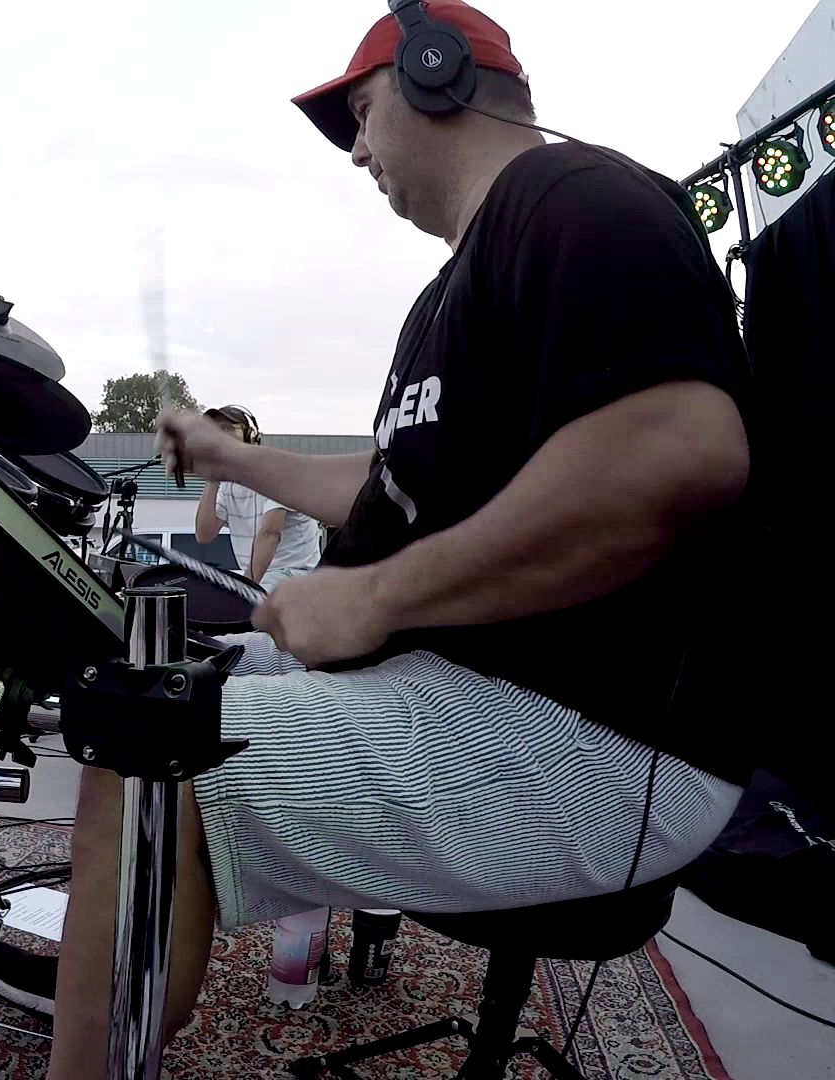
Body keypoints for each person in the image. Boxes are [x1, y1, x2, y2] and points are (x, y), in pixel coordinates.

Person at [46, 6, 754, 1072]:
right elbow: (388, 485)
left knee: (150, 751)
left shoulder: (576, 197)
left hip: (607, 742)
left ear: (438, 74)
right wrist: (236, 459)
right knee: (139, 699)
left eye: (364, 115)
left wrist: (378, 597)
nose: (357, 152)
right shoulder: (447, 296)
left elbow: (677, 452)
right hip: (481, 697)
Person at [191, 406, 322, 588]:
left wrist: (246, 588)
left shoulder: (276, 471)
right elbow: (204, 534)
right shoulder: (228, 484)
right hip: (262, 575)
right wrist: (212, 479)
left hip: (294, 572)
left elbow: (270, 533)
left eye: (228, 428)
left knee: (240, 606)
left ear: (251, 437)